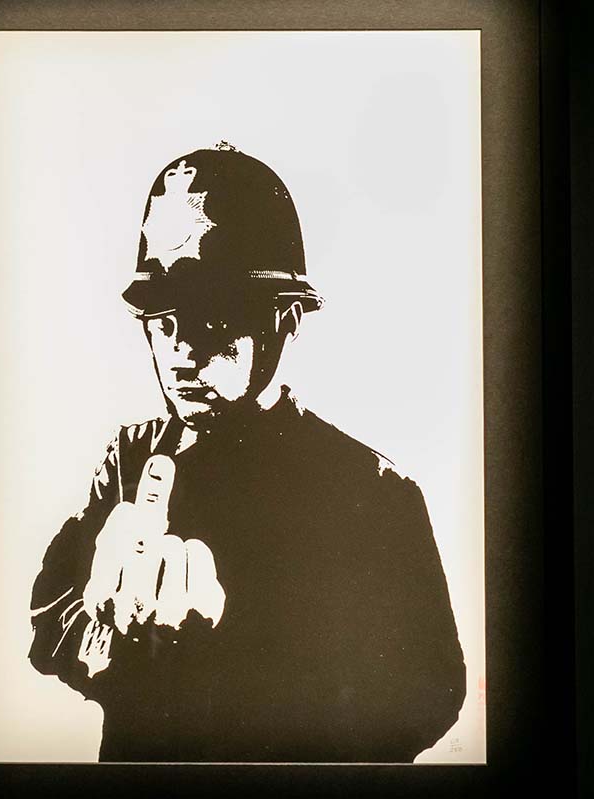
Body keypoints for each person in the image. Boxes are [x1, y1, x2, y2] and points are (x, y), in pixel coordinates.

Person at [28, 145, 465, 763]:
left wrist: (233, 646)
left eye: (212, 313)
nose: (181, 350)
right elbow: (50, 615)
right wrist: (111, 631)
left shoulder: (372, 491)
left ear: (287, 318)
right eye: (161, 317)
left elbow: (429, 696)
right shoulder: (131, 458)